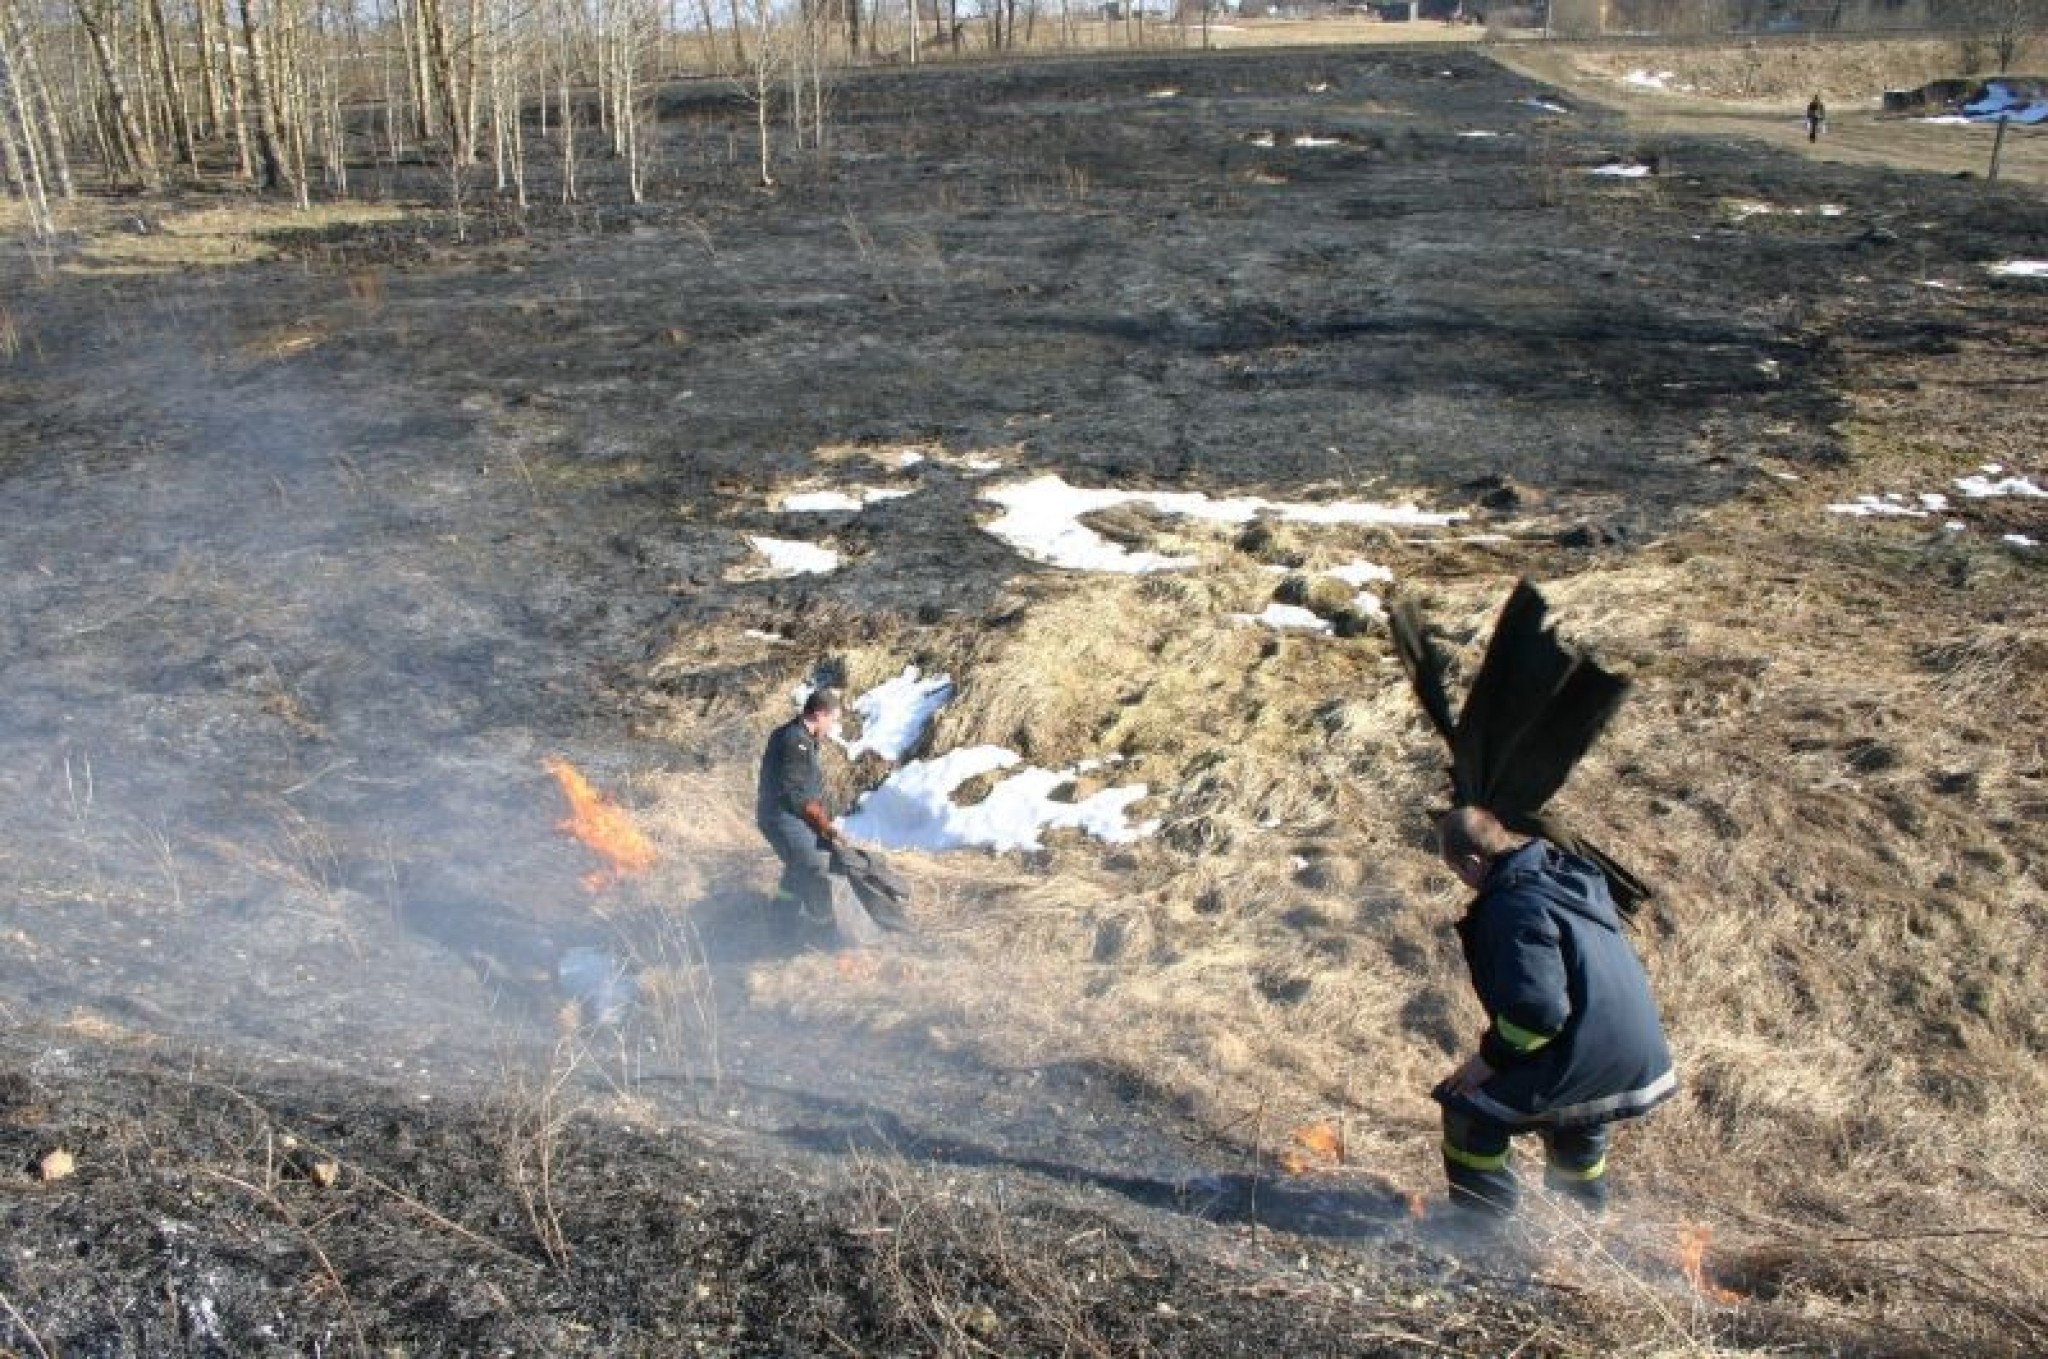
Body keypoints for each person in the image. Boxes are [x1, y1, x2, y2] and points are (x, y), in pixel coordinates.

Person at [1431, 807, 1676, 1218]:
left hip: (1587, 1054)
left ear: (1473, 862)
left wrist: (1487, 1061)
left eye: (1456, 869)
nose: (1461, 880)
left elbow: (1539, 1012)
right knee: (1577, 1117)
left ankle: (1481, 1231)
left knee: (1467, 1111)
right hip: (1637, 1057)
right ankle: (1580, 1223)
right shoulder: (1565, 877)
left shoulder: (1512, 906)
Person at [756, 688, 849, 946]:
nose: (833, 727)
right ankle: (823, 937)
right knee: (814, 868)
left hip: (791, 817)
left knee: (798, 870)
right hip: (781, 818)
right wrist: (826, 827)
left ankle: (781, 927)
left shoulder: (802, 737)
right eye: (833, 719)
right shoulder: (794, 741)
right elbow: (797, 797)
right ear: (819, 714)